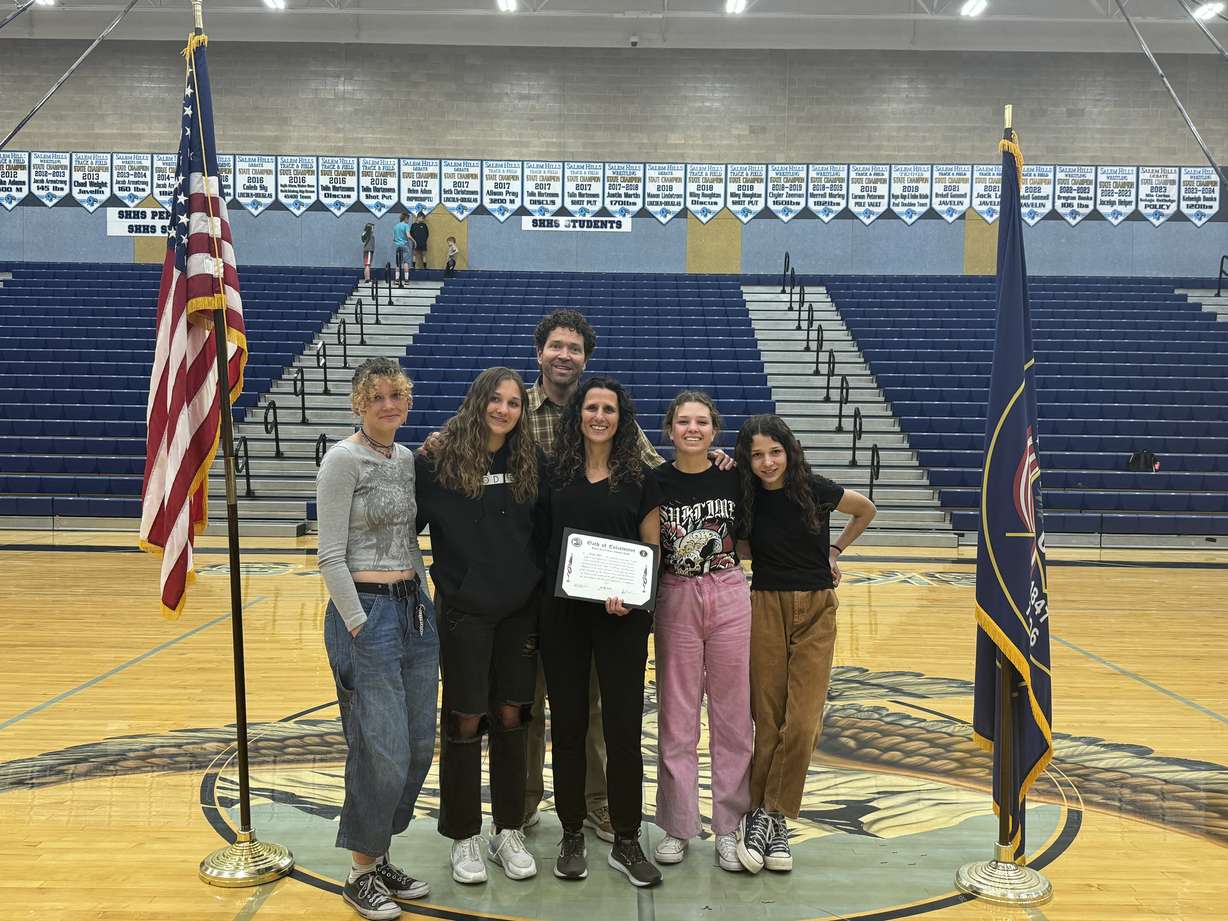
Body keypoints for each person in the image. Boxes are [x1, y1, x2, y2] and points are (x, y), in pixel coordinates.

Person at [522, 309, 663, 846]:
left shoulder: (607, 410)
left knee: (600, 708)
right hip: (538, 584)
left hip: (604, 595)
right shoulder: (519, 404)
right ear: (541, 352)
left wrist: (710, 460)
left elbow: (652, 477)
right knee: (534, 702)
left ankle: (598, 804)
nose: (564, 355)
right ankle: (526, 805)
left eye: (574, 348)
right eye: (556, 345)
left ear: (586, 358)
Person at [316, 357, 438, 921]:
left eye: (398, 395)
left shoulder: (407, 459)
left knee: (416, 745)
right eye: (378, 396)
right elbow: (329, 556)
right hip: (365, 614)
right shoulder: (342, 460)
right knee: (379, 749)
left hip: (413, 610)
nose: (390, 405)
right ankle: (360, 870)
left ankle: (381, 853)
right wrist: (358, 622)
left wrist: (424, 601)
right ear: (359, 404)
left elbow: (407, 538)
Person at [415, 367, 547, 886]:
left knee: (514, 714)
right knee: (466, 718)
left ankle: (507, 828)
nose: (504, 409)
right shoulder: (437, 461)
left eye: (514, 402)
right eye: (495, 399)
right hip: (465, 612)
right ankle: (464, 834)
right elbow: (408, 526)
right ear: (478, 401)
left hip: (520, 610)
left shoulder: (531, 460)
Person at [732, 414, 877, 874]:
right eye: (757, 455)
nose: (767, 462)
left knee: (804, 723)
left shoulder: (814, 488)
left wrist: (833, 551)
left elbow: (865, 509)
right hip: (766, 606)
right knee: (769, 721)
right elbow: (738, 546)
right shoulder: (746, 498)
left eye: (774, 452)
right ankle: (765, 822)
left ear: (789, 451)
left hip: (817, 608)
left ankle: (770, 814)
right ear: (747, 460)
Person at [650, 391, 755, 873]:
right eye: (683, 421)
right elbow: (649, 547)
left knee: (733, 716)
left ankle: (729, 827)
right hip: (676, 593)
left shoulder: (733, 477)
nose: (692, 429)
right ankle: (677, 826)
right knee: (677, 713)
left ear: (715, 431)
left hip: (729, 589)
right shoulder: (656, 481)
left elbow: (754, 538)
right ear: (669, 429)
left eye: (702, 422)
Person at [392, 213, 412, 286]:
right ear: (405, 218)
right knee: (405, 263)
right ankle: (406, 280)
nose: (408, 221)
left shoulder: (395, 226)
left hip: (397, 246)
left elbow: (394, 238)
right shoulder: (406, 225)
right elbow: (408, 235)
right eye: (408, 219)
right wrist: (414, 241)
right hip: (405, 245)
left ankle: (397, 280)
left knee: (398, 263)